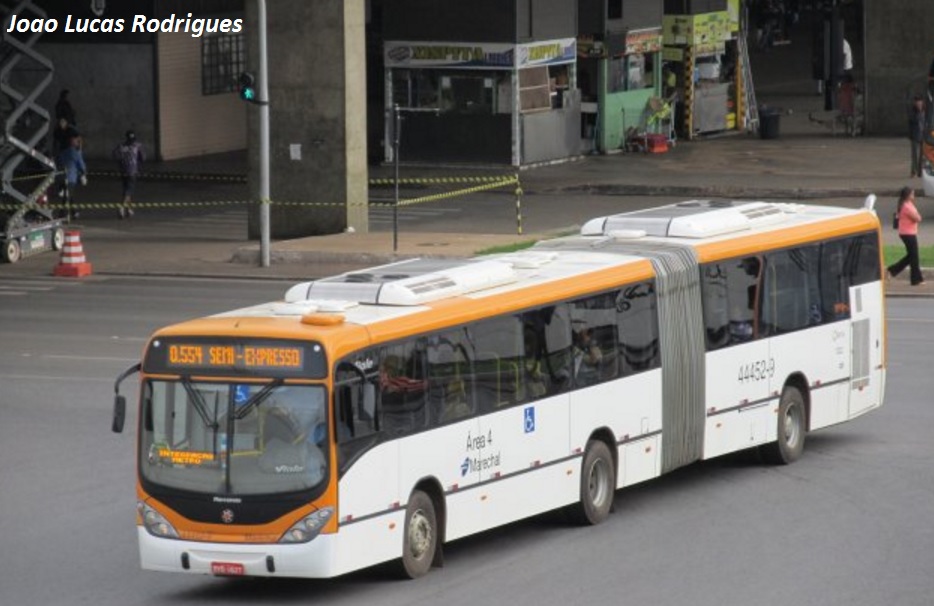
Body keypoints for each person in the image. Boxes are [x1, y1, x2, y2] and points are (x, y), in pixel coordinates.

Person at [887, 186, 925, 286]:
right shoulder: (906, 207)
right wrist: (918, 216)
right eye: (912, 194)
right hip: (908, 233)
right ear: (908, 195)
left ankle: (892, 270)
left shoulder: (908, 204)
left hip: (909, 232)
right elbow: (918, 218)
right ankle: (915, 280)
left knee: (912, 256)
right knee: (914, 256)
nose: (914, 195)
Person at [112, 130, 145, 218]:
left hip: (123, 171)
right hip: (132, 171)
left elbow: (114, 155)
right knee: (128, 191)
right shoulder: (137, 145)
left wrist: (122, 159)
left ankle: (129, 209)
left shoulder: (121, 146)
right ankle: (122, 207)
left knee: (126, 190)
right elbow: (143, 158)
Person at [56, 134, 87, 221]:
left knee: (69, 196)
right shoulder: (75, 153)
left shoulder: (63, 152)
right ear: (73, 142)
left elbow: (59, 162)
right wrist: (84, 174)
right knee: (68, 196)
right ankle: (62, 214)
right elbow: (82, 165)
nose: (79, 143)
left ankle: (73, 212)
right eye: (78, 141)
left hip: (62, 177)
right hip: (71, 178)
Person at [908, 95, 926, 177]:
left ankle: (920, 171)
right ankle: (913, 171)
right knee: (914, 155)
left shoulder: (925, 111)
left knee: (922, 155)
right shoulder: (912, 111)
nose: (919, 104)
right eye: (917, 102)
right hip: (915, 136)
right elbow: (912, 120)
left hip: (923, 136)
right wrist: (918, 111)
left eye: (920, 102)